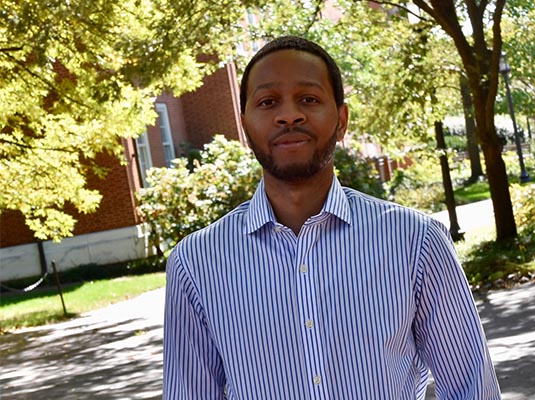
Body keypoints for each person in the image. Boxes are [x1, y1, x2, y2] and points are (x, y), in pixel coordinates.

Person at [163, 35, 501, 399]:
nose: (289, 114)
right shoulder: (195, 264)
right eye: (267, 101)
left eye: (308, 99)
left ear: (341, 120)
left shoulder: (416, 242)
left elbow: (472, 388)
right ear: (245, 125)